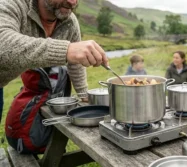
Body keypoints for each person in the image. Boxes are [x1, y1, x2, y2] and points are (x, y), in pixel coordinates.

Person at [0, 0, 108, 154]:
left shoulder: (70, 22)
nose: (72, 2)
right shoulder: (13, 4)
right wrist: (66, 50)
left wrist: (84, 95)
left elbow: (75, 64)